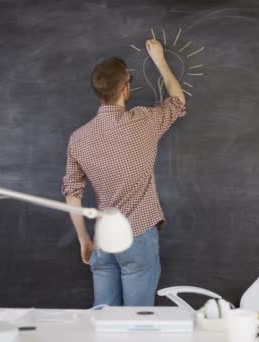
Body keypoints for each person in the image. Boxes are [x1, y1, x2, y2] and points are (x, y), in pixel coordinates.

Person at [61, 39, 186, 306]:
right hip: (137, 236)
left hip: (102, 240)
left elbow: (72, 193)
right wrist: (160, 61)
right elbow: (177, 102)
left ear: (98, 92)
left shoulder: (78, 138)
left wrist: (84, 239)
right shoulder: (142, 121)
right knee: (136, 323)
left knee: (104, 319)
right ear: (126, 89)